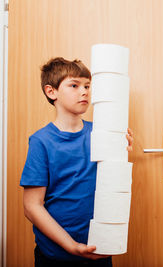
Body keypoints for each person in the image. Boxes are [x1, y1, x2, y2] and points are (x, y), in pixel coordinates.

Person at [20, 57, 134, 267]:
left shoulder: (101, 133)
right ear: (51, 91)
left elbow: (112, 180)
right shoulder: (41, 141)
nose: (84, 91)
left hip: (99, 246)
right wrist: (71, 245)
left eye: (87, 86)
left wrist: (121, 151)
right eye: (74, 85)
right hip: (56, 254)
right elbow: (31, 206)